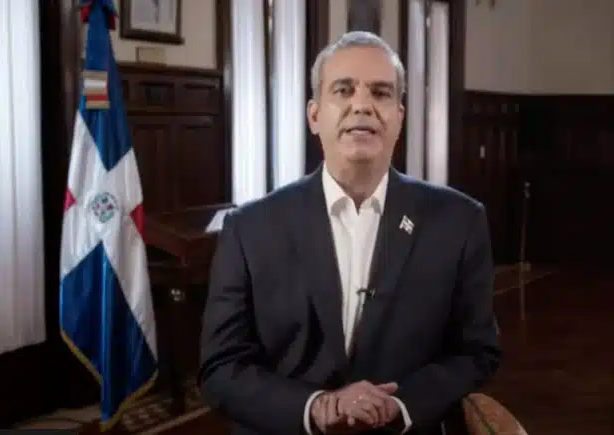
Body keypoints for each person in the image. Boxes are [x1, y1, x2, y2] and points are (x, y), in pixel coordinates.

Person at [198, 31, 501, 435]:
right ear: (314, 115)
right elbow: (220, 369)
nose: (362, 105)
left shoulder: (459, 221)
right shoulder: (249, 228)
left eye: (380, 93)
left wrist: (402, 404)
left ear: (399, 116)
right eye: (343, 90)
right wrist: (317, 408)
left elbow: (477, 352)